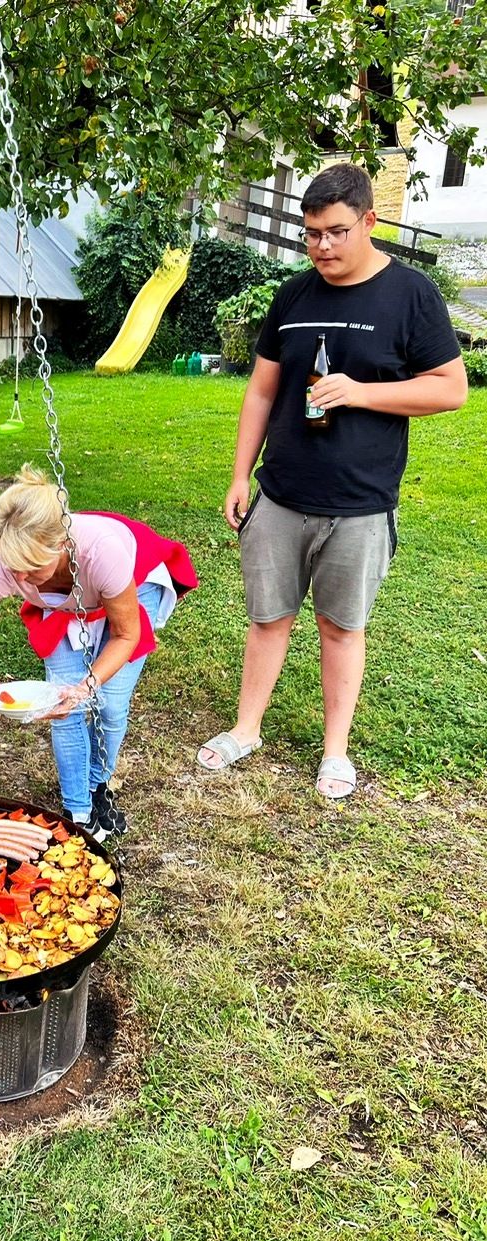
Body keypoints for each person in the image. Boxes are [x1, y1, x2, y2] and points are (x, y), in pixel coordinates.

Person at [197, 163, 467, 797]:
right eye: (310, 233)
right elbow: (262, 392)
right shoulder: (293, 295)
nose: (321, 246)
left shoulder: (411, 294)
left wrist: (363, 393)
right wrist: (241, 475)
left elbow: (451, 389)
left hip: (361, 502)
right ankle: (245, 730)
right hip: (282, 494)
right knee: (268, 618)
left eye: (336, 232)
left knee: (342, 627)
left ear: (369, 221)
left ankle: (335, 753)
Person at [0, 466, 197, 840]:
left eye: (30, 568)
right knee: (63, 707)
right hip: (65, 607)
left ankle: (98, 786)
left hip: (131, 588)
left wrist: (85, 686)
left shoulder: (101, 551)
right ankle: (78, 811)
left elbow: (126, 635)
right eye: (15, 570)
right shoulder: (6, 566)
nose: (21, 580)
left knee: (108, 702)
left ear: (59, 543)